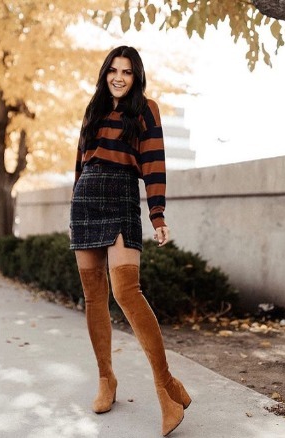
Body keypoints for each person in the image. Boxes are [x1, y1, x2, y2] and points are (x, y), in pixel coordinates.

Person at [70, 46, 191, 437]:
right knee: (93, 296)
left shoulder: (145, 109)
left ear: (136, 76)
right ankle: (107, 379)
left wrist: (157, 214)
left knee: (127, 291)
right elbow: (80, 163)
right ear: (105, 74)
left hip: (121, 196)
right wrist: (75, 210)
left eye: (126, 71)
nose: (118, 77)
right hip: (86, 201)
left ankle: (166, 386)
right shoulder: (93, 109)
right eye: (112, 71)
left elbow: (154, 163)